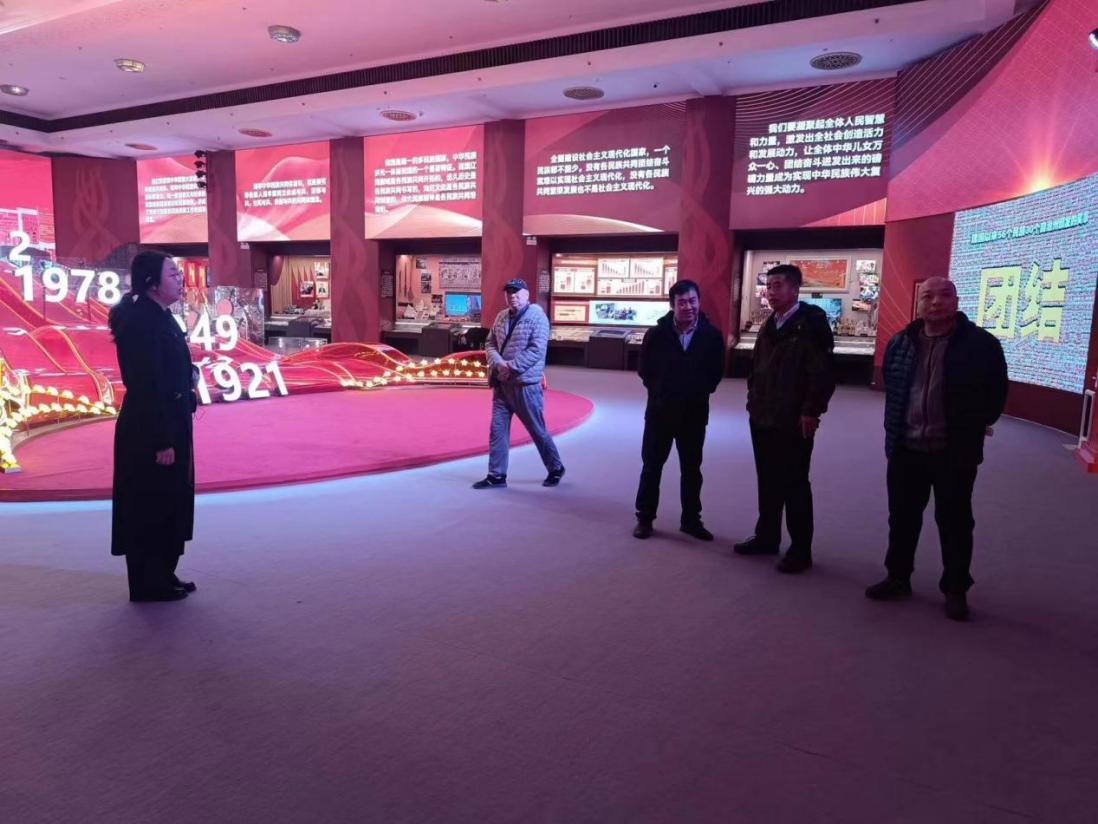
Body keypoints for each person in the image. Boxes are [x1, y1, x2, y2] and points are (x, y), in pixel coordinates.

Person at [866, 276, 1007, 621]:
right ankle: (898, 577)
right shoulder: (901, 342)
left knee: (955, 522)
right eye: (928, 296)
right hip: (906, 448)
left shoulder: (982, 345)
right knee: (902, 518)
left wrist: (973, 425)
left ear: (956, 302)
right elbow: (894, 390)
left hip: (953, 452)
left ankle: (955, 589)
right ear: (919, 304)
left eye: (944, 295)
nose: (936, 302)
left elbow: (996, 393)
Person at [109, 251, 198, 602]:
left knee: (170, 499)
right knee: (150, 503)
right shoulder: (140, 323)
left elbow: (168, 367)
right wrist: (161, 440)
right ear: (151, 283)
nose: (180, 279)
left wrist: (189, 376)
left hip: (171, 419)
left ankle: (163, 571)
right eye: (172, 274)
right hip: (150, 428)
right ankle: (148, 581)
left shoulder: (159, 315)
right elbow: (145, 384)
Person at [735, 264, 835, 573]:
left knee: (794, 483)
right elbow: (757, 368)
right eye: (768, 286)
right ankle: (767, 536)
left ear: (795, 289)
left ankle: (800, 549)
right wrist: (753, 401)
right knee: (767, 479)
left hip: (794, 419)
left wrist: (811, 410)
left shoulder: (811, 324)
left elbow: (822, 373)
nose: (771, 292)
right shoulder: (771, 323)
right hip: (763, 415)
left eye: (777, 286)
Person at [632, 279, 725, 540]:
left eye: (692, 301)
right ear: (672, 305)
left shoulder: (711, 335)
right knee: (652, 467)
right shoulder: (656, 334)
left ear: (699, 302)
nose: (688, 307)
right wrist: (661, 392)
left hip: (694, 413)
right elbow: (644, 370)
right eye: (682, 302)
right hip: (659, 412)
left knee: (692, 469)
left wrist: (698, 391)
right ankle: (645, 518)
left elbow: (716, 371)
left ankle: (691, 520)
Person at [473, 278, 565, 489]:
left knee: (536, 429)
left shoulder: (538, 317)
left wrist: (511, 367)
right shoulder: (501, 316)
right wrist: (499, 364)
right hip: (502, 384)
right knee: (497, 430)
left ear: (526, 295)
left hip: (525, 385)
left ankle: (556, 467)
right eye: (509, 293)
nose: (512, 296)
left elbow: (536, 349)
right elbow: (490, 343)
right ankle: (496, 475)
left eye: (516, 292)